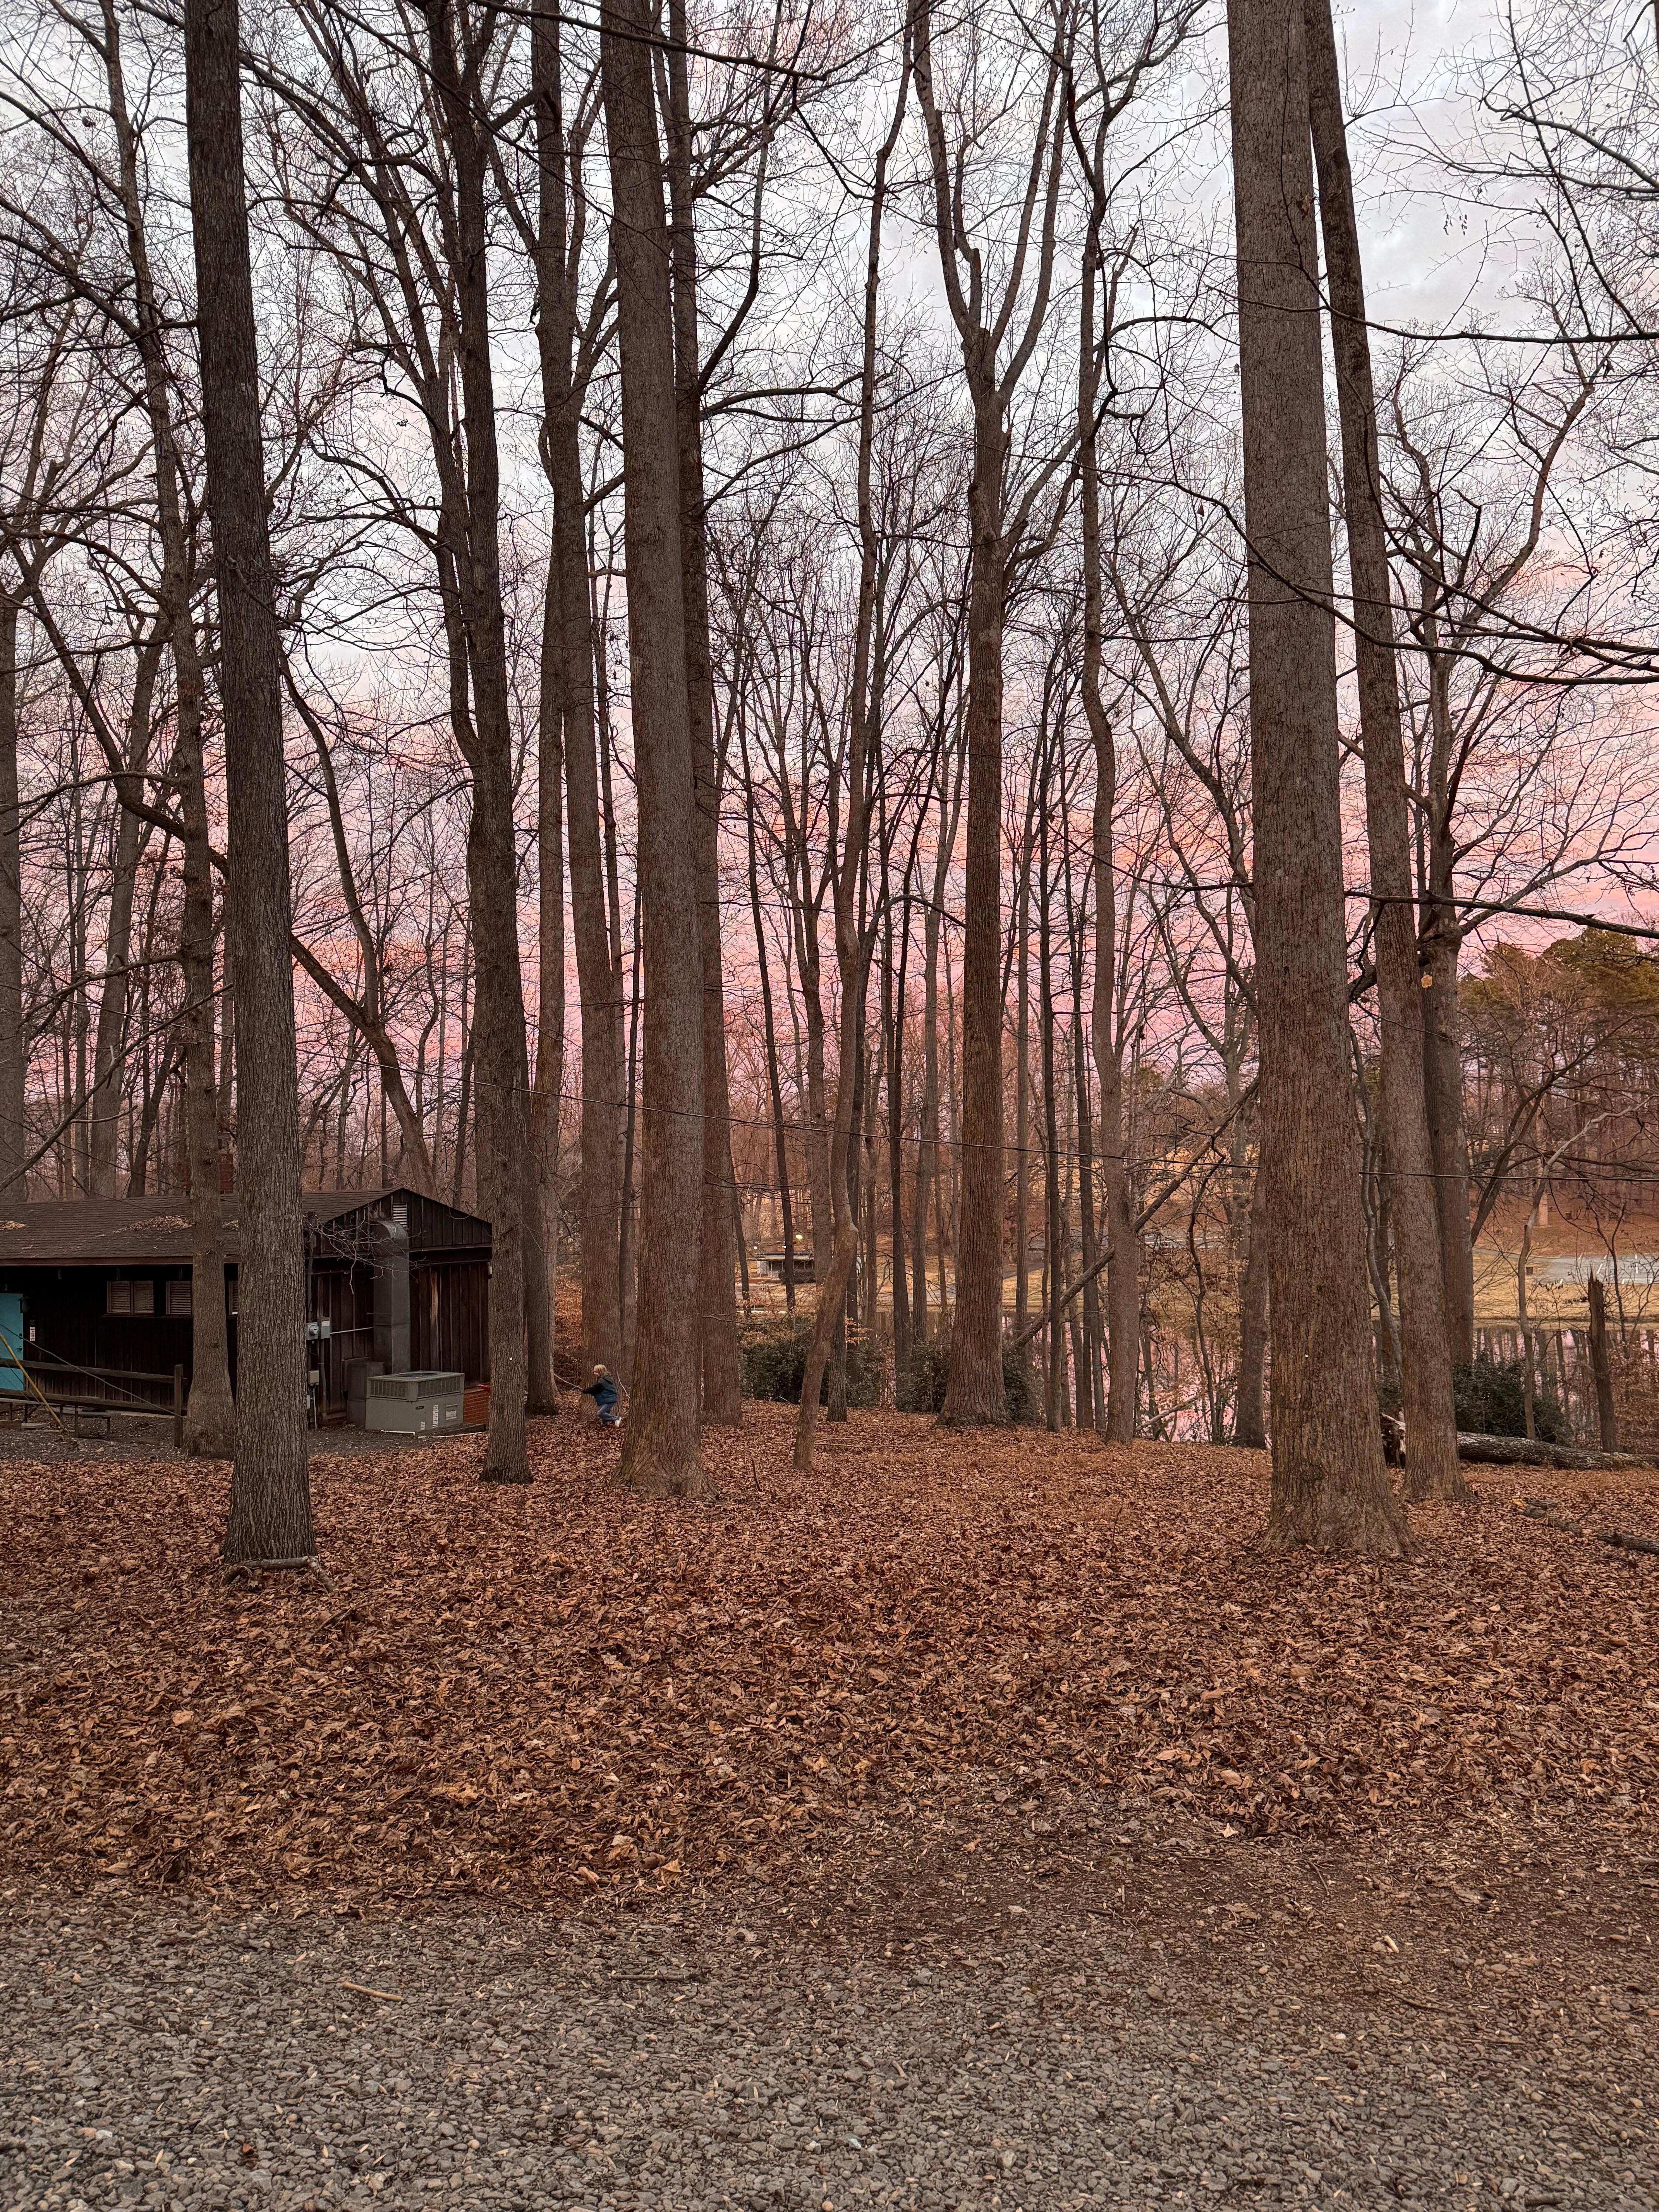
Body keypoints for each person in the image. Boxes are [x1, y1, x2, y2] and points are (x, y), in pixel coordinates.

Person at [582, 1364, 621, 1428]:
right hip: (609, 1399)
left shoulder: (602, 1381)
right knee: (604, 1417)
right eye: (594, 1372)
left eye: (596, 1372)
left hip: (610, 1400)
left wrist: (587, 1390)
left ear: (601, 1372)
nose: (594, 1373)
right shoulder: (606, 1379)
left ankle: (616, 1418)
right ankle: (605, 1426)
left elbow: (596, 1389)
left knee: (600, 1413)